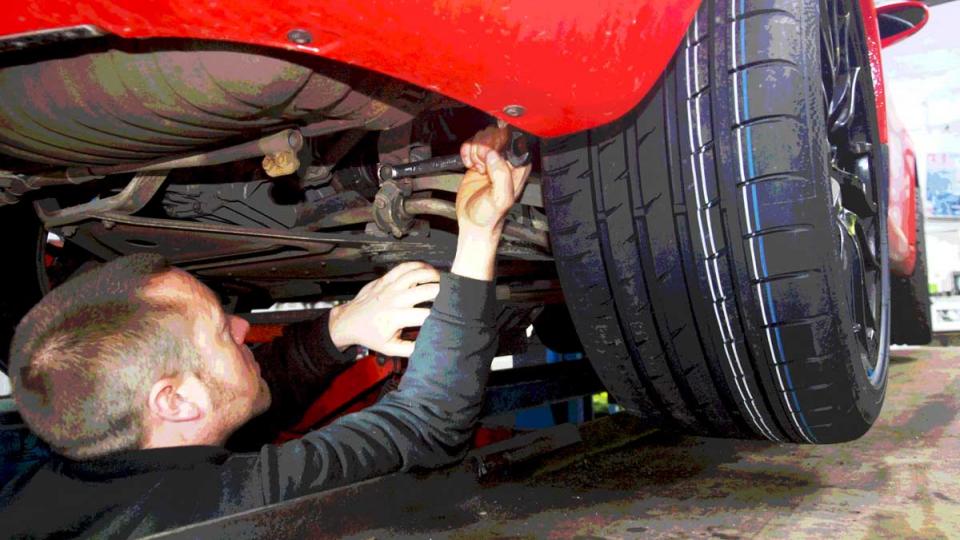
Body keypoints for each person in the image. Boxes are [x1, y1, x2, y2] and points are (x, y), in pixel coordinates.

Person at [0, 126, 531, 537]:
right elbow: (428, 423)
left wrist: (338, 328)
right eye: (220, 330)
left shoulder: (46, 489)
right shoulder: (218, 513)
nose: (242, 324)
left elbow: (229, 393)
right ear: (174, 401)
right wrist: (480, 231)